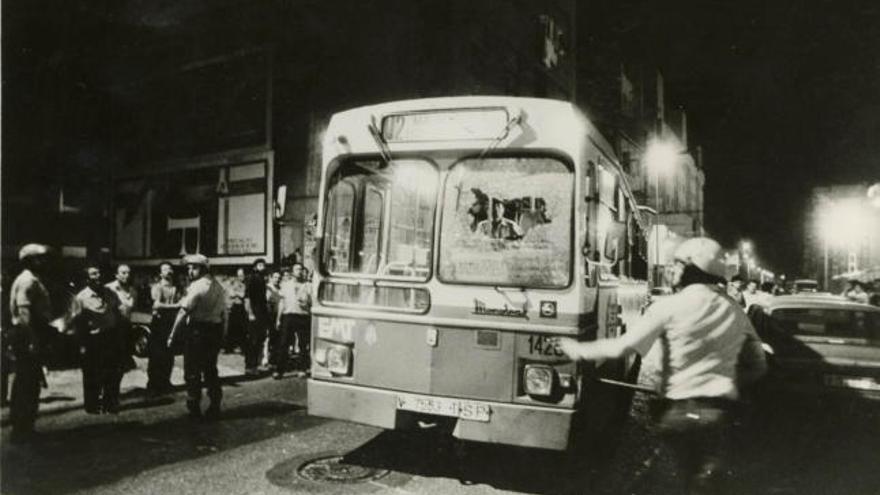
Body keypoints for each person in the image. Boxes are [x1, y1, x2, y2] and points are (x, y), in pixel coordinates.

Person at [558, 237, 768, 495]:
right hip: (720, 416)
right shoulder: (735, 311)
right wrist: (729, 381)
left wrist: (576, 349)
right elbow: (759, 365)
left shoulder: (669, 306)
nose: (672, 270)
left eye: (678, 264)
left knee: (672, 482)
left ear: (693, 270)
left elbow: (621, 347)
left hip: (677, 416)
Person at [167, 254, 227, 420]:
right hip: (214, 330)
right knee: (210, 370)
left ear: (203, 269)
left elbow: (183, 311)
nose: (190, 271)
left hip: (197, 331)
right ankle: (215, 404)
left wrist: (172, 334)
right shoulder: (218, 287)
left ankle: (194, 407)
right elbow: (224, 314)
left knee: (192, 371)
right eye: (189, 268)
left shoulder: (197, 287)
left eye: (194, 268)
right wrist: (223, 333)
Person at [7, 244, 53, 442]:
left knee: (30, 381)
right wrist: (32, 340)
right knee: (26, 382)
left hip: (31, 333)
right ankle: (21, 428)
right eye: (38, 258)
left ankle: (25, 426)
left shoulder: (32, 279)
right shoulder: (27, 281)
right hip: (27, 334)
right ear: (29, 260)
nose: (43, 262)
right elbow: (24, 311)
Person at [73, 264, 126, 415]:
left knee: (112, 372)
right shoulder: (81, 298)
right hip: (92, 340)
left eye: (99, 273)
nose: (98, 277)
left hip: (110, 337)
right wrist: (81, 344)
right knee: (92, 373)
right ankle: (92, 405)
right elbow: (77, 323)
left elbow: (118, 311)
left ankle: (111, 403)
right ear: (87, 279)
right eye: (94, 274)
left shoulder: (110, 293)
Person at [147, 261, 180, 397]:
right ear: (160, 273)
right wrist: (174, 306)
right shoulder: (157, 287)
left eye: (170, 268)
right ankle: (153, 383)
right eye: (165, 269)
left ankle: (166, 381)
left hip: (171, 322)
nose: (169, 271)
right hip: (159, 323)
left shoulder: (175, 288)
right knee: (156, 354)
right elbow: (156, 305)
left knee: (169, 353)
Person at [274, 263, 312, 379]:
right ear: (292, 272)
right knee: (284, 343)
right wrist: (278, 319)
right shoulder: (285, 285)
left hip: (302, 315)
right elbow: (282, 302)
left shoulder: (308, 285)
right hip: (288, 315)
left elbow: (312, 302)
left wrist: (307, 304)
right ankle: (279, 370)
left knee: (302, 344)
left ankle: (302, 369)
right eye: (297, 269)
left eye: (301, 269)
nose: (299, 271)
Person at [106, 264, 137, 370]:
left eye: (129, 273)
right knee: (111, 362)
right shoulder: (108, 289)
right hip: (112, 329)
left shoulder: (133, 291)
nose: (127, 275)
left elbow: (131, 310)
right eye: (123, 273)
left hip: (126, 328)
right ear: (116, 275)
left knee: (123, 364)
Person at [243, 258, 269, 376]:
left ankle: (255, 365)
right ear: (255, 266)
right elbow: (247, 297)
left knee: (259, 340)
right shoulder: (252, 278)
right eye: (259, 264)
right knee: (252, 340)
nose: (262, 266)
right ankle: (250, 366)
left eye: (263, 264)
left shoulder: (262, 279)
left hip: (261, 314)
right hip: (254, 313)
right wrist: (250, 313)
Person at [223, 267, 247, 353]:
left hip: (242, 307)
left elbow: (243, 295)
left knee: (242, 328)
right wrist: (237, 293)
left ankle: (242, 347)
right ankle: (229, 347)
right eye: (239, 275)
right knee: (231, 328)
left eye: (242, 275)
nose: (241, 277)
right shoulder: (234, 283)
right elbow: (231, 293)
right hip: (234, 306)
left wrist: (236, 293)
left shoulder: (245, 284)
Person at [265, 270, 282, 369]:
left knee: (275, 338)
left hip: (277, 315)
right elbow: (266, 303)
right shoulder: (268, 288)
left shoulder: (280, 288)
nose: (277, 279)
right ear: (271, 278)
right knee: (268, 338)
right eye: (275, 277)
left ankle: (273, 359)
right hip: (269, 316)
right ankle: (265, 359)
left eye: (279, 278)